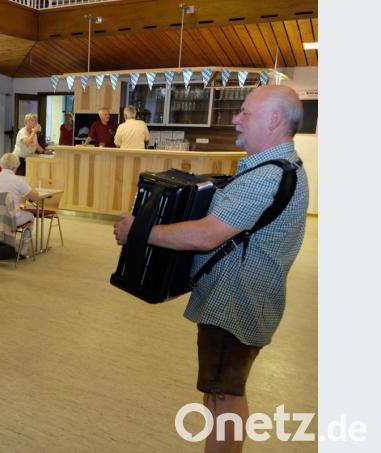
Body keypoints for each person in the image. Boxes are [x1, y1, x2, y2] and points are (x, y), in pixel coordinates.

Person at [113, 84, 308, 453]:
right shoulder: (281, 167)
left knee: (223, 399)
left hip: (234, 304)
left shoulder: (267, 176)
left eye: (245, 112)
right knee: (221, 392)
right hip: (247, 300)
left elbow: (207, 236)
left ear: (274, 119)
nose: (236, 118)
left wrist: (139, 232)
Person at [0, 153, 40, 258]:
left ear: (2, 164)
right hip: (12, 219)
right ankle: (23, 251)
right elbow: (35, 197)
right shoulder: (18, 181)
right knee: (30, 216)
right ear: (15, 166)